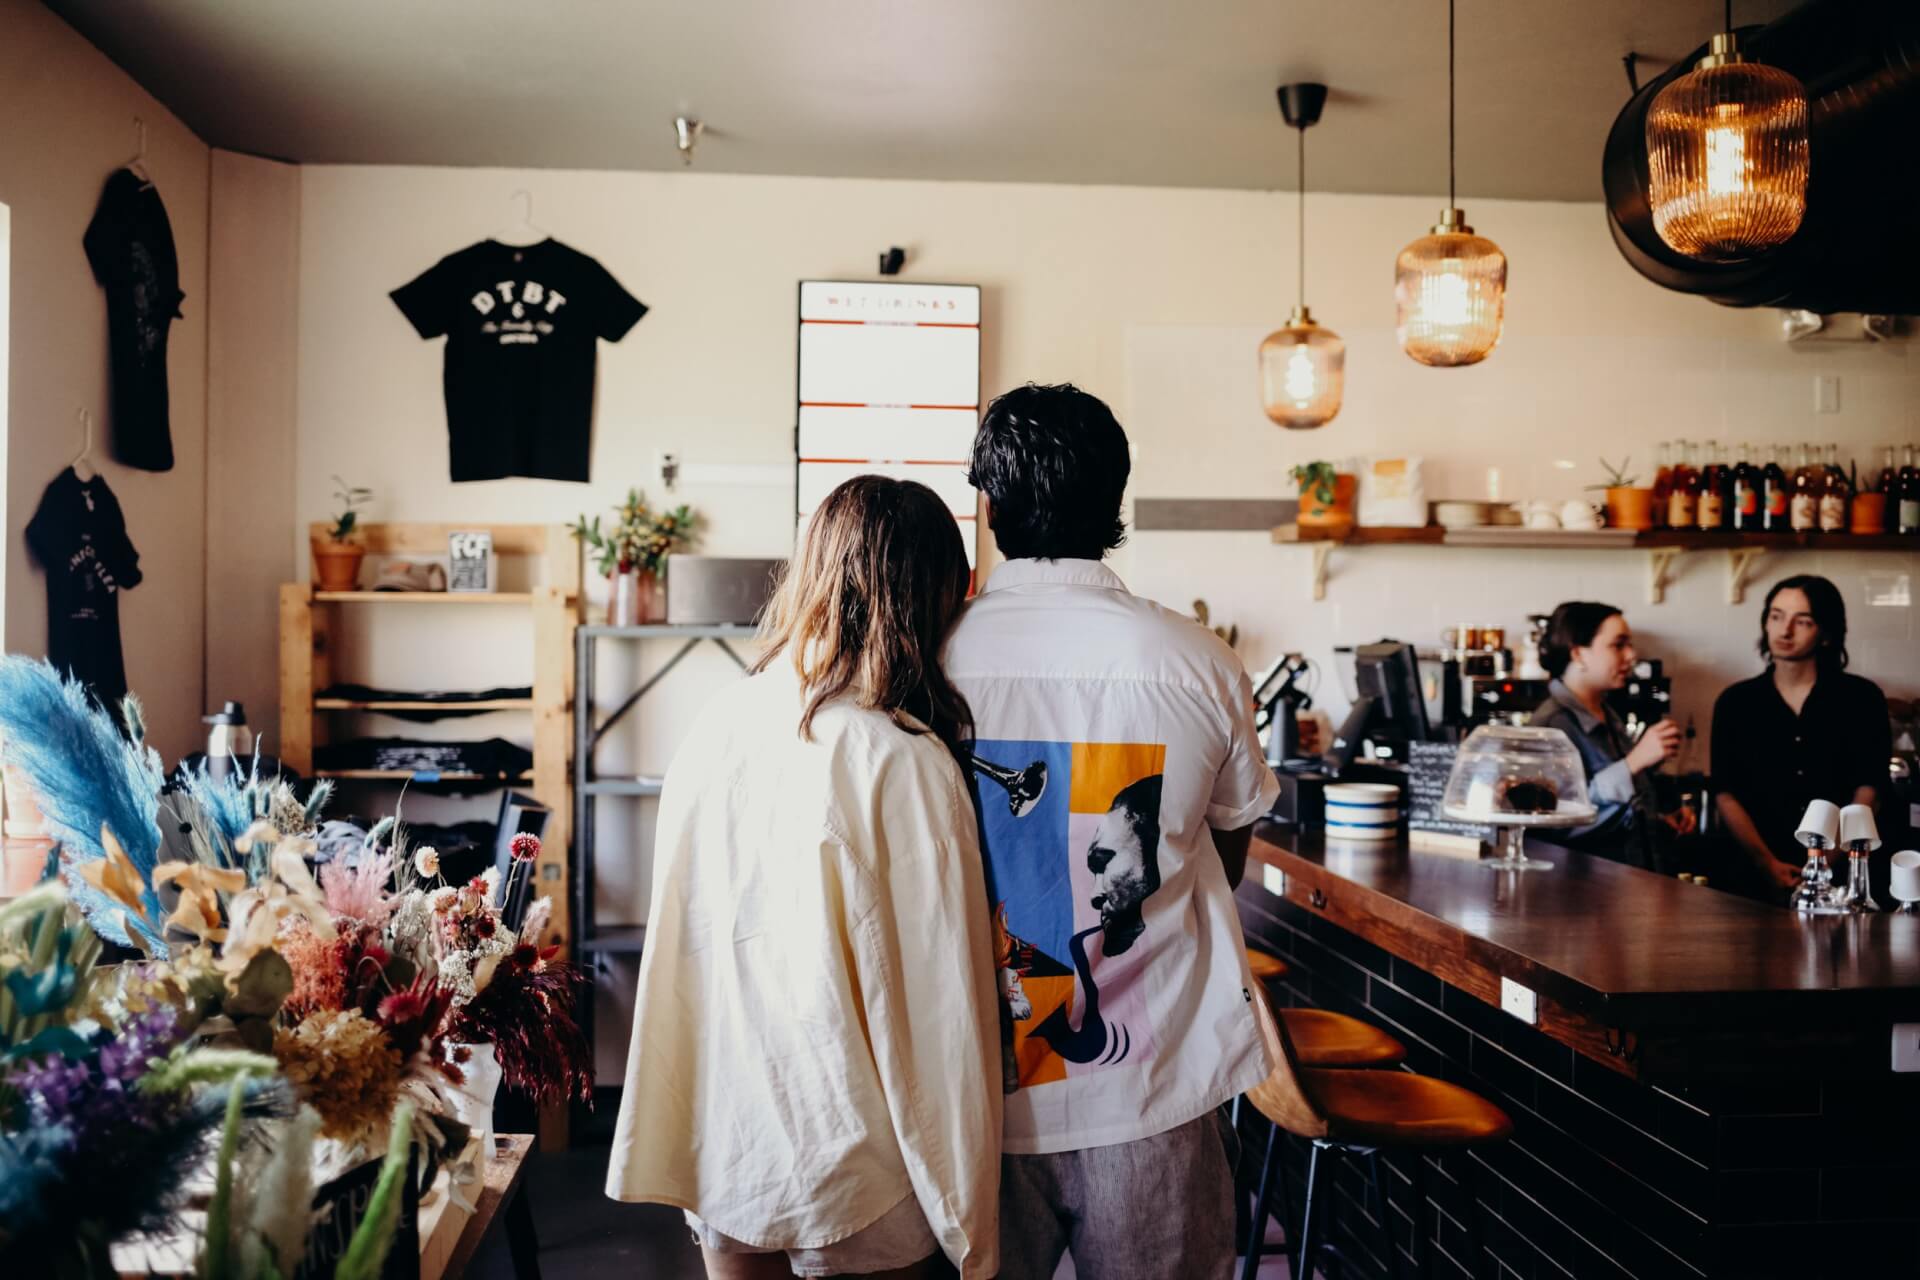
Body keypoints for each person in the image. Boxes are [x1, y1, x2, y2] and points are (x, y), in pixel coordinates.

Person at [605, 476, 1002, 1280]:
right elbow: (940, 1009)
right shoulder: (900, 758)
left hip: (726, 1132)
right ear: (933, 596)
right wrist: (973, 1222)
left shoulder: (721, 721)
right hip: (854, 1156)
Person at [947, 383, 1280, 1280]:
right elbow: (1231, 847)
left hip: (966, 1094)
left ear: (987, 504)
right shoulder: (1197, 660)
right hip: (1155, 1086)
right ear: (1117, 502)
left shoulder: (926, 655)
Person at [1712, 575, 1892, 902]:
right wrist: (1765, 861)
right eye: (1776, 616)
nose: (1785, 630)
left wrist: (1821, 863)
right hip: (1752, 879)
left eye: (1803, 621)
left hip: (1843, 876)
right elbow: (1726, 793)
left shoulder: (1862, 698)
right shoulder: (1736, 702)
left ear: (1825, 633)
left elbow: (1870, 790)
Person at [1526, 602, 1684, 870]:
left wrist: (1656, 817)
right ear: (1578, 654)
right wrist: (1635, 762)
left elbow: (1614, 810)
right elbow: (1556, 822)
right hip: (1583, 892)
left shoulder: (1607, 712)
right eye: (1618, 645)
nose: (1631, 655)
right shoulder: (1551, 726)